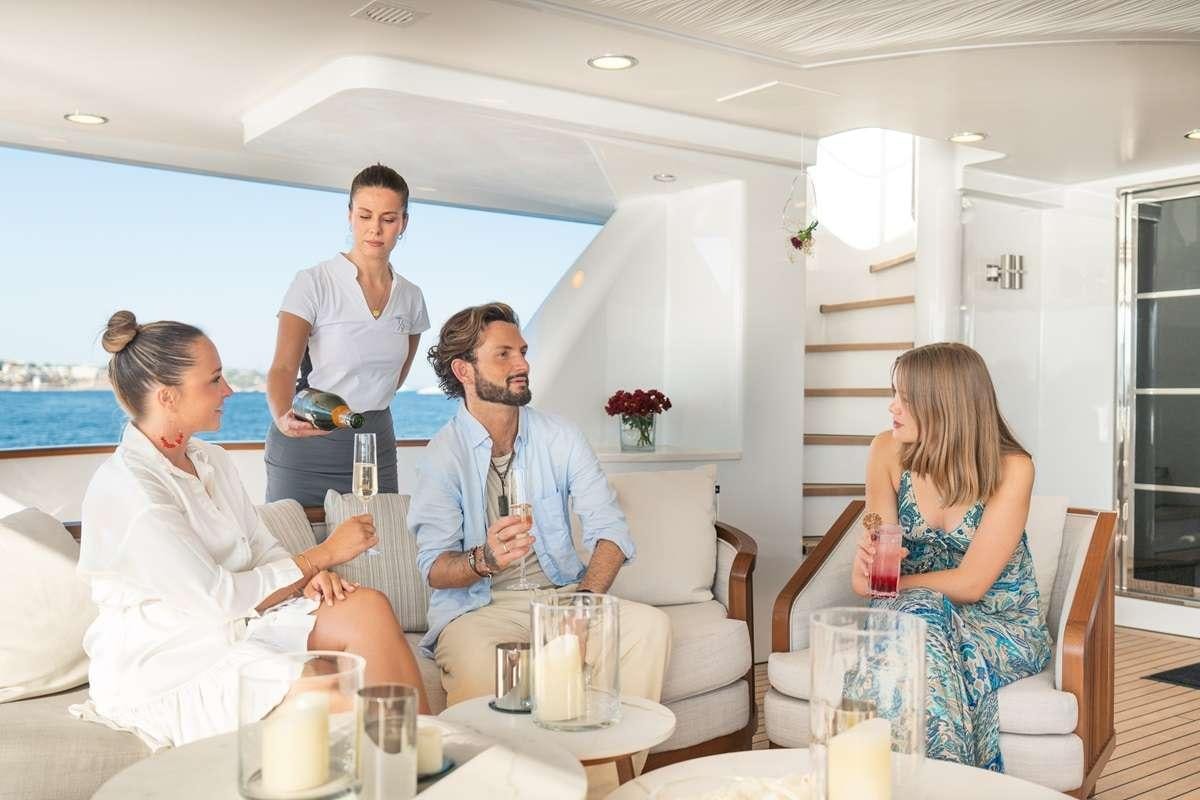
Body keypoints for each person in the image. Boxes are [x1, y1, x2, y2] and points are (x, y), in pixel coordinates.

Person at [72, 311, 428, 750]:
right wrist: (320, 557)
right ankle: (396, 765)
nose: (229, 390)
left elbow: (260, 546)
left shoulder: (211, 460)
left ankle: (429, 755)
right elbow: (216, 598)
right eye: (214, 380)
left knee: (366, 605)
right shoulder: (132, 489)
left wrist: (306, 578)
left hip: (241, 619)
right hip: (171, 656)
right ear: (167, 397)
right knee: (318, 691)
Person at [407, 302, 671, 710]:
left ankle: (601, 773)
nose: (522, 364)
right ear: (464, 371)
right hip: (479, 611)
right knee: (484, 665)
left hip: (560, 595)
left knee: (649, 627)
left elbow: (611, 533)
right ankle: (508, 773)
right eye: (504, 354)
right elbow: (435, 569)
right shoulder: (442, 457)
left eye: (523, 352)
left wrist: (580, 606)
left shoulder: (561, 437)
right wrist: (485, 558)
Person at [852, 342, 1051, 771]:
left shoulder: (1013, 468)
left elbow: (971, 583)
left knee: (906, 643)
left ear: (944, 405)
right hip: (911, 618)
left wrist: (893, 589)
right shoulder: (885, 451)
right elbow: (875, 565)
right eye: (894, 393)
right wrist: (866, 566)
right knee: (913, 632)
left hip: (997, 625)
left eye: (906, 397)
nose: (892, 406)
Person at [265, 164, 429, 506]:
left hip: (375, 443)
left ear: (404, 223)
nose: (375, 229)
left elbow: (393, 379)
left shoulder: (411, 296)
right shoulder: (313, 282)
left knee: (378, 548)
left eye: (388, 218)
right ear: (350, 215)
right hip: (309, 440)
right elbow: (282, 368)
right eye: (365, 215)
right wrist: (283, 419)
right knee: (301, 552)